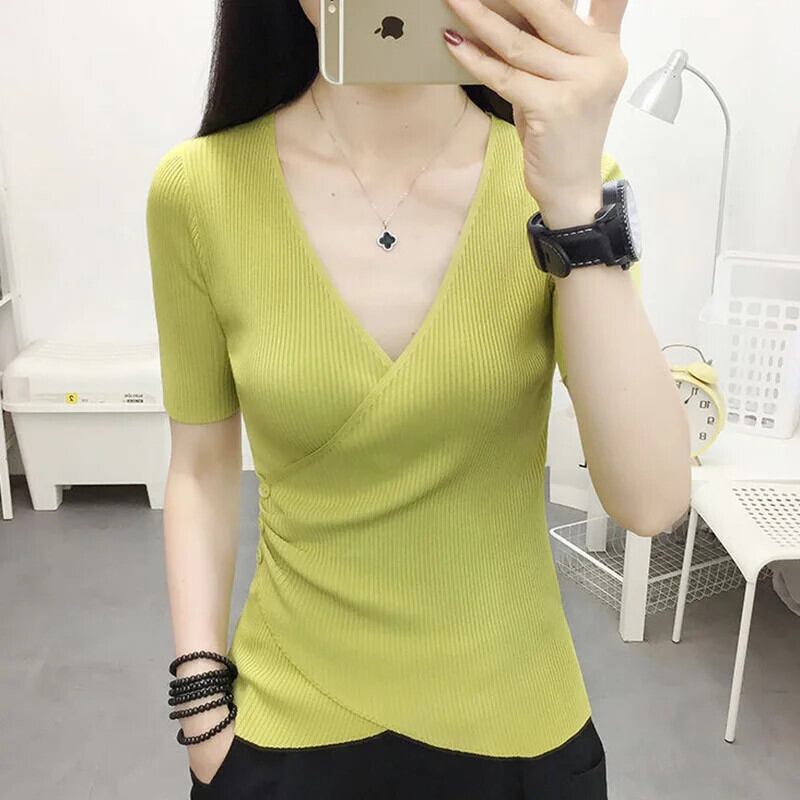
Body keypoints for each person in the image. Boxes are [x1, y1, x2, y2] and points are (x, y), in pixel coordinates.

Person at [146, 1, 692, 798]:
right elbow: (199, 467)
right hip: (283, 722)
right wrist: (201, 707)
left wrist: (575, 200)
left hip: (517, 723)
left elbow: (651, 501)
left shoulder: (564, 188)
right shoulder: (199, 191)